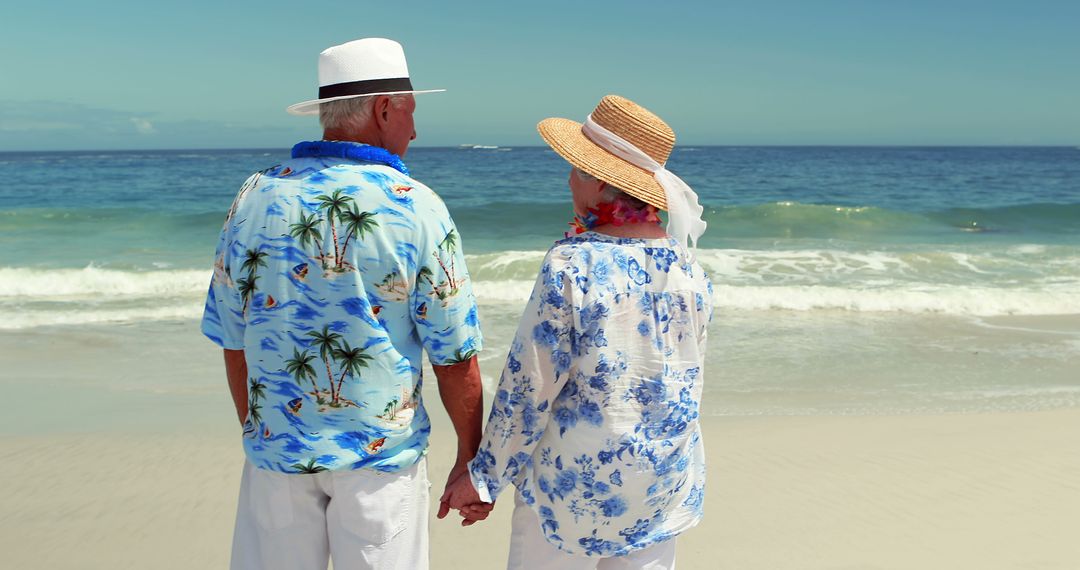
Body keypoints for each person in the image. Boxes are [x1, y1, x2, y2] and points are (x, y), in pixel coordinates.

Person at [201, 37, 489, 570]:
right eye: (410, 113)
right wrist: (470, 458)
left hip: (276, 460)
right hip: (380, 466)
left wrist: (260, 431)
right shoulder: (416, 206)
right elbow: (455, 354)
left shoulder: (254, 196)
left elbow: (231, 335)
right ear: (384, 109)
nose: (415, 130)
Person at [443, 95, 713, 569]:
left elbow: (529, 389)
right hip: (661, 486)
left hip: (572, 492)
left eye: (576, 168)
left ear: (601, 182)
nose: (569, 179)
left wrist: (484, 477)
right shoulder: (691, 267)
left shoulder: (573, 264)